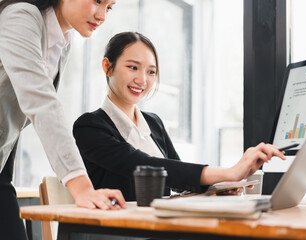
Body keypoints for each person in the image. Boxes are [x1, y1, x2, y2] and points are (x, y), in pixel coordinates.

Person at [73, 32, 286, 201]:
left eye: (151, 72)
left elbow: (177, 176)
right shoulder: (89, 127)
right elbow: (145, 166)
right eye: (132, 67)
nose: (142, 80)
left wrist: (214, 189)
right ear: (107, 67)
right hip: (117, 233)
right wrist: (229, 172)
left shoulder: (153, 123)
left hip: (160, 228)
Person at [0, 0, 126, 239]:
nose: (102, 16)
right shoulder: (20, 17)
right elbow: (41, 102)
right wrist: (82, 188)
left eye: (109, 7)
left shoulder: (62, 43)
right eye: (97, 1)